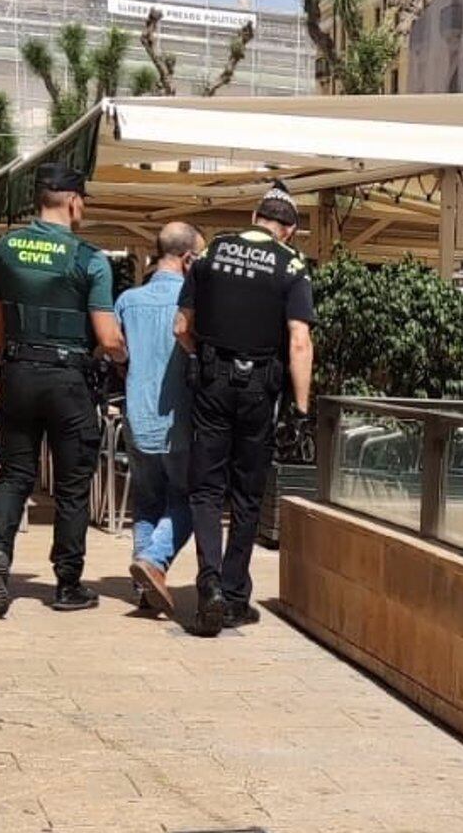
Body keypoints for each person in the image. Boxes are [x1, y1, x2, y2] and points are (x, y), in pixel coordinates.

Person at [0, 164, 127, 618]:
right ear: (74, 201)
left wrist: (9, 360)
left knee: (15, 474)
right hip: (69, 381)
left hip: (19, 372)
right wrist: (120, 358)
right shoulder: (89, 259)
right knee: (72, 486)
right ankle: (67, 584)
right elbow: (108, 336)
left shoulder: (3, 249)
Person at [176, 183, 314, 636]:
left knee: (206, 491)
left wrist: (204, 357)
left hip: (212, 383)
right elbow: (299, 340)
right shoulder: (292, 266)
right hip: (261, 388)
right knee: (247, 495)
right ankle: (235, 595)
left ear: (255, 218)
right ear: (288, 231)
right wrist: (301, 405)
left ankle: (208, 583)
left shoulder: (211, 253)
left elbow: (181, 327)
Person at [115, 221, 201, 615]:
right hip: (179, 419)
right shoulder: (191, 303)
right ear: (187, 259)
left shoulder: (128, 301)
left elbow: (115, 349)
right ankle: (154, 562)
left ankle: (143, 582)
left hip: (136, 413)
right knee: (186, 500)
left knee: (147, 500)